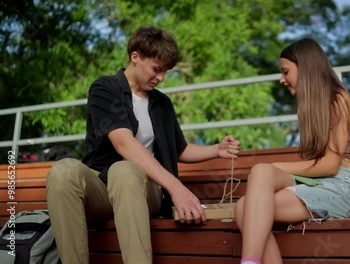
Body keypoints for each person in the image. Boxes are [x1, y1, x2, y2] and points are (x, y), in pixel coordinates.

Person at [46, 25, 240, 264]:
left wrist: (215, 149)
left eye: (166, 72)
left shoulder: (162, 103)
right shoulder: (105, 89)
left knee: (125, 170)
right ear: (135, 57)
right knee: (63, 170)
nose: (161, 78)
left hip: (143, 190)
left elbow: (179, 149)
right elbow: (123, 143)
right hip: (102, 188)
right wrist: (176, 187)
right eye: (157, 69)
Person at [234, 38, 350, 264]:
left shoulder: (338, 99)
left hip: (338, 187)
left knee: (258, 182)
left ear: (305, 68)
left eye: (285, 72)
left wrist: (277, 167)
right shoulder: (312, 107)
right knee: (245, 202)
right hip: (319, 182)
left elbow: (331, 165)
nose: (282, 79)